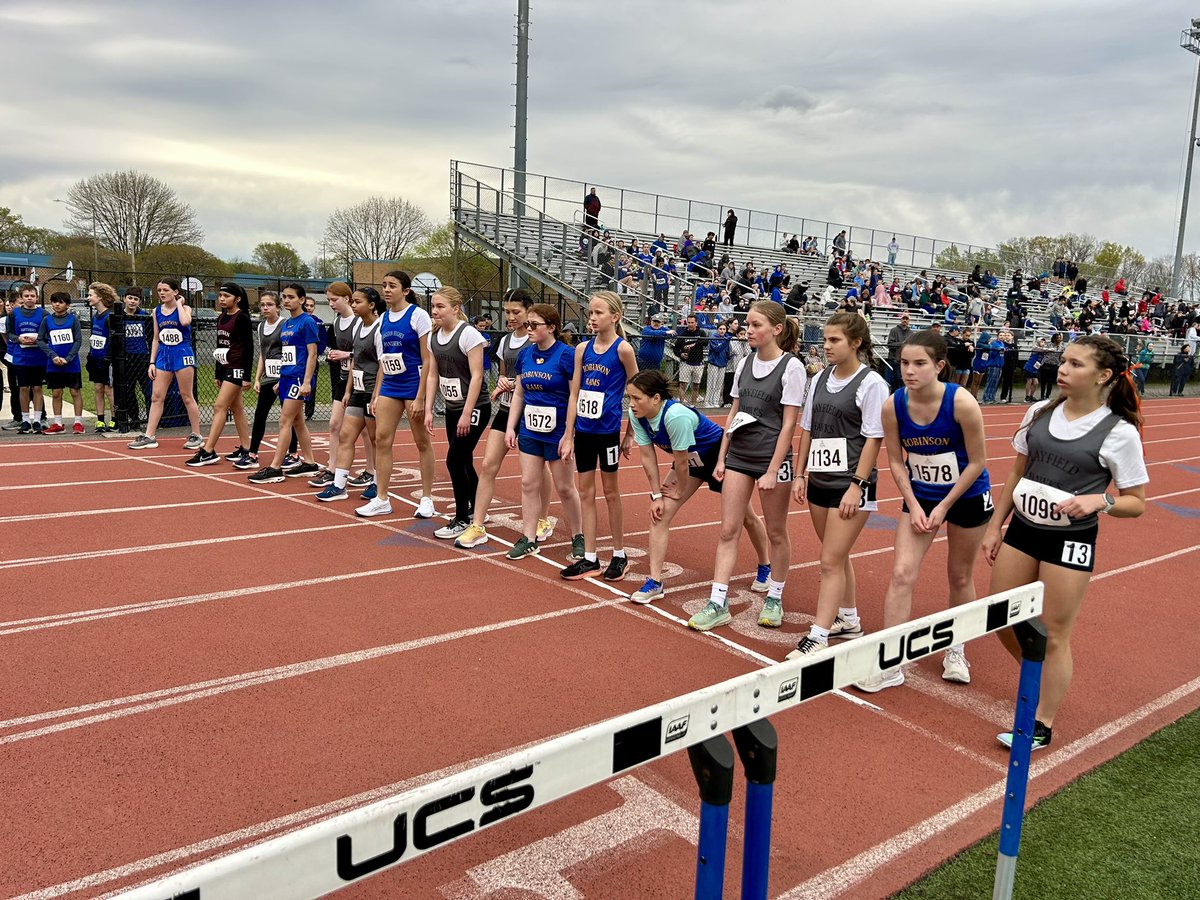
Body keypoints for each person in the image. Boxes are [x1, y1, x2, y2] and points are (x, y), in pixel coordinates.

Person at [983, 335, 1147, 749]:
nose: (1063, 369)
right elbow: (1016, 474)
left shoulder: (1119, 432)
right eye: (1063, 361)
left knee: (1053, 633)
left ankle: (1041, 722)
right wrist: (993, 526)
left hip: (1070, 541)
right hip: (1023, 528)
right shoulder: (1039, 411)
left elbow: (1136, 503)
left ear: (1103, 376)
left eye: (1076, 364)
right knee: (1000, 614)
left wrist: (1102, 500)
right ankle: (1037, 675)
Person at [853, 331, 992, 691]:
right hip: (921, 495)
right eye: (904, 363)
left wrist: (945, 506)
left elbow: (977, 462)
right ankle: (890, 662)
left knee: (960, 575)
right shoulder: (893, 405)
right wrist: (914, 505)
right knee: (901, 573)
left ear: (940, 366)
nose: (909, 371)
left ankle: (956, 650)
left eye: (919, 364)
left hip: (966, 496)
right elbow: (896, 462)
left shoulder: (961, 403)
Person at [687, 301, 806, 632]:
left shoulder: (792, 368)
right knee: (728, 529)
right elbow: (734, 410)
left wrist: (772, 469)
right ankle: (718, 601)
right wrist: (722, 456)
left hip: (772, 459)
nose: (748, 330)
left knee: (776, 530)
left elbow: (788, 425)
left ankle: (775, 597)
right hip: (739, 455)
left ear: (776, 330)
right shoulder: (744, 362)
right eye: (748, 325)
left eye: (755, 325)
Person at [788, 312, 888, 658]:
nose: (826, 346)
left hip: (851, 484)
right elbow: (808, 428)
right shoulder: (819, 379)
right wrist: (800, 474)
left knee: (829, 559)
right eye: (825, 339)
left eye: (834, 340)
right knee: (837, 554)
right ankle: (848, 618)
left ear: (856, 343)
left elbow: (874, 439)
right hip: (820, 478)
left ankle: (818, 636)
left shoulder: (872, 383)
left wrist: (857, 485)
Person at [626, 369, 772, 604]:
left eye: (636, 398)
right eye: (629, 398)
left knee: (746, 517)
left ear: (655, 398)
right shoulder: (637, 415)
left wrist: (680, 490)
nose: (631, 404)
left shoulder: (675, 416)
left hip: (718, 457)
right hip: (691, 462)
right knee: (659, 514)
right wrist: (656, 495)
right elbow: (647, 457)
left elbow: (682, 462)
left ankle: (766, 565)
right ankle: (655, 582)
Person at [455, 289, 554, 548]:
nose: (510, 317)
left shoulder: (535, 342)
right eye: (507, 312)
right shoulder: (505, 342)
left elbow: (535, 376)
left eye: (516, 312)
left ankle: (543, 518)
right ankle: (477, 525)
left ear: (529, 312)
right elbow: (504, 374)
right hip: (506, 410)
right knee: (488, 465)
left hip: (532, 414)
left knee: (536, 472)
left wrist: (514, 383)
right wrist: (502, 382)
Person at [559, 291, 638, 580]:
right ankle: (590, 557)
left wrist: (630, 434)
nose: (592, 318)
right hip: (584, 432)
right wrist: (568, 434)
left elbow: (636, 393)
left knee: (611, 493)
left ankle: (619, 554)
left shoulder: (623, 350)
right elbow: (574, 394)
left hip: (607, 433)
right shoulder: (582, 349)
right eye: (590, 312)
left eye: (598, 313)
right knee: (586, 493)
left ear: (615, 317)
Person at [504, 303, 585, 561]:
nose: (528, 329)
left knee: (564, 487)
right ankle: (529, 538)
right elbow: (519, 392)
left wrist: (569, 434)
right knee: (529, 483)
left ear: (551, 327)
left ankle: (578, 536)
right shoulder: (525, 355)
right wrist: (510, 427)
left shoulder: (566, 355)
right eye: (527, 324)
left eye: (534, 325)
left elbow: (575, 395)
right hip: (530, 429)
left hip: (558, 430)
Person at [358, 270, 437, 518]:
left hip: (413, 383)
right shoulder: (381, 320)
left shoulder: (418, 316)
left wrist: (421, 396)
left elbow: (428, 358)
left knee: (421, 441)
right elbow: (384, 360)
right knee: (382, 439)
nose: (387, 289)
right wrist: (376, 394)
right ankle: (382, 497)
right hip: (390, 385)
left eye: (392, 285)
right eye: (384, 285)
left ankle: (427, 498)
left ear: (406, 291)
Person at [423, 287, 490, 538]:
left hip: (474, 407)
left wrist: (467, 412)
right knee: (463, 459)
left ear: (456, 307)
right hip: (452, 407)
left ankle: (462, 517)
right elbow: (432, 374)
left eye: (440, 306)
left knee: (454, 459)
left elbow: (477, 376)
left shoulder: (469, 335)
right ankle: (477, 507)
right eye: (433, 306)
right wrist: (429, 409)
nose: (435, 311)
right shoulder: (433, 336)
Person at [314, 286, 384, 502]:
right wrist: (347, 390)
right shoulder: (356, 328)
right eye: (352, 302)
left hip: (372, 389)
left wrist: (377, 395)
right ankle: (339, 485)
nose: (353, 305)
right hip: (357, 389)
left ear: (371, 305)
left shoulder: (380, 328)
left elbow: (382, 364)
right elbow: (355, 361)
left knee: (375, 438)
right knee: (345, 435)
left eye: (357, 302)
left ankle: (376, 481)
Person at [247, 283, 321, 483]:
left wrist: (307, 382)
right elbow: (286, 355)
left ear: (302, 300)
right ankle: (310, 463)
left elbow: (312, 354)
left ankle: (275, 468)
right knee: (298, 422)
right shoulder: (287, 324)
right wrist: (281, 379)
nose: (286, 300)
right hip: (286, 377)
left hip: (299, 378)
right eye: (284, 297)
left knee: (284, 421)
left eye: (291, 297)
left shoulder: (307, 322)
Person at [126, 278, 203, 450]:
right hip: (163, 355)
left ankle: (196, 434)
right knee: (156, 396)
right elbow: (155, 338)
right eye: (159, 290)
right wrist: (152, 362)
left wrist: (180, 304)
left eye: (166, 290)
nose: (161, 293)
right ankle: (149, 435)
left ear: (175, 292)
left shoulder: (185, 309)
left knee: (186, 395)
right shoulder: (156, 311)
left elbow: (185, 322)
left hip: (182, 354)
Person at [186, 283, 254, 467]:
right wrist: (218, 371)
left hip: (237, 367)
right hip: (225, 367)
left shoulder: (242, 318)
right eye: (220, 295)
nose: (222, 299)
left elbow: (249, 348)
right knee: (237, 408)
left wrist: (247, 376)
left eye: (226, 296)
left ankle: (208, 450)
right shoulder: (222, 317)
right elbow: (220, 345)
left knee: (219, 406)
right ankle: (246, 448)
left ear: (237, 299)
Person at [240, 292, 294, 471]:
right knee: (260, 414)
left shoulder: (285, 324)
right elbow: (263, 354)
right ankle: (252, 454)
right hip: (268, 377)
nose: (265, 308)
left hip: (284, 376)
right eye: (262, 305)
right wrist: (257, 378)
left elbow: (289, 353)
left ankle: (293, 454)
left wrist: (284, 378)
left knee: (289, 417)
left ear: (278, 307)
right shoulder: (261, 326)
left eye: (269, 304)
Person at [37, 292, 84, 434]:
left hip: (71, 363)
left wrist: (68, 358)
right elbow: (40, 340)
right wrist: (53, 356)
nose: (57, 304)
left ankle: (78, 423)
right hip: (54, 363)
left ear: (67, 305)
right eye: (54, 302)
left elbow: (78, 340)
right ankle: (58, 423)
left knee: (75, 391)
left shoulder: (73, 320)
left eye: (61, 302)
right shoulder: (47, 320)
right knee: (56, 393)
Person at [6, 284, 47, 433]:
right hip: (21, 357)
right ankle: (24, 420)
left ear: (37, 297)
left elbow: (47, 334)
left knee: (37, 387)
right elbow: (10, 333)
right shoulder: (14, 314)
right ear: (22, 298)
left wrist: (38, 340)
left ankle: (37, 419)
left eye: (32, 296)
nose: (29, 298)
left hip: (38, 357)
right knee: (23, 388)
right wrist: (19, 339)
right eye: (26, 296)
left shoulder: (43, 314)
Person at [117, 288, 152, 430]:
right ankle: (135, 419)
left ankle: (152, 418)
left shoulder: (144, 316)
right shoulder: (119, 316)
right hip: (126, 358)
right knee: (129, 390)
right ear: (124, 299)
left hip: (142, 357)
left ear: (139, 302)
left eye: (136, 299)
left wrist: (151, 358)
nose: (132, 301)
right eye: (130, 298)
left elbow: (150, 336)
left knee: (147, 390)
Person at [85, 283, 117, 432]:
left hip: (106, 359)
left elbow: (112, 338)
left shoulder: (109, 316)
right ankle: (100, 420)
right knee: (98, 388)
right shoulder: (95, 316)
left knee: (109, 390)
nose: (88, 297)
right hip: (95, 358)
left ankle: (115, 419)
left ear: (100, 297)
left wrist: (109, 357)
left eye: (91, 295)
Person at [673, 314, 708, 405]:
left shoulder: (701, 333)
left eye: (692, 322)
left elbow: (705, 342)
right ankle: (682, 403)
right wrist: (681, 354)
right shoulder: (683, 334)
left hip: (698, 363)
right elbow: (675, 349)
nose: (690, 324)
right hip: (686, 363)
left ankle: (693, 405)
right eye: (689, 322)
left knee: (696, 386)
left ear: (696, 323)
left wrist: (694, 345)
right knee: (683, 384)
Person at [703, 322, 731, 408]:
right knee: (712, 383)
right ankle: (707, 402)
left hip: (722, 364)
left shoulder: (726, 339)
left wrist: (727, 357)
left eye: (724, 329)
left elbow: (727, 352)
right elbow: (717, 349)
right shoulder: (713, 337)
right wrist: (725, 342)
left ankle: (715, 401)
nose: (722, 331)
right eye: (720, 329)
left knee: (719, 385)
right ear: (717, 329)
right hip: (714, 363)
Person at [886, 313, 911, 391]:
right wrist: (902, 344)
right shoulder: (894, 330)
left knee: (905, 381)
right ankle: (894, 397)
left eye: (907, 319)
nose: (905, 320)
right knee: (897, 380)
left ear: (909, 321)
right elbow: (889, 344)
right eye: (904, 318)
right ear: (901, 320)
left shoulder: (911, 332)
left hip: (907, 360)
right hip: (896, 360)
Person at [1039, 333, 1063, 400]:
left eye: (1060, 338)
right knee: (1043, 382)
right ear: (1054, 339)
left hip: (1054, 366)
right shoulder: (1049, 345)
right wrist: (1049, 349)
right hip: (1046, 365)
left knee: (1050, 382)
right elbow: (1043, 349)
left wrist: (1059, 364)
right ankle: (1042, 396)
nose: (1059, 339)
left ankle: (1047, 396)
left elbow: (1061, 357)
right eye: (1058, 338)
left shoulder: (1062, 347)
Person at [1023, 338, 1047, 402]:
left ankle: (1031, 396)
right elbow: (1042, 350)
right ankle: (1027, 396)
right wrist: (1047, 349)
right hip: (1029, 366)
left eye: (1044, 342)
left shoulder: (1044, 350)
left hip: (1036, 367)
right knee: (1029, 381)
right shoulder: (1035, 348)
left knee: (1036, 383)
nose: (1043, 343)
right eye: (1041, 342)